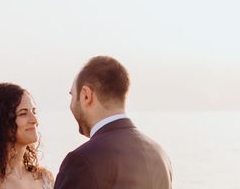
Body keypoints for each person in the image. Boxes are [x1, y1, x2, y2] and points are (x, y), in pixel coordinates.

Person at [54, 56, 173, 189]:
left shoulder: (81, 160)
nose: (71, 104)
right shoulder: (160, 154)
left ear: (86, 96)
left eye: (72, 95)